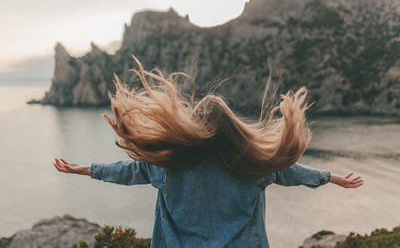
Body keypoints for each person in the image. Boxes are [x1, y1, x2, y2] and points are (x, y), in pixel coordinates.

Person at [54, 57, 363, 248]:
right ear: (233, 128)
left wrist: (86, 169)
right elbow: (291, 172)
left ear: (194, 125)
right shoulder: (253, 165)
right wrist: (332, 177)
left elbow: (128, 170)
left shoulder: (167, 164)